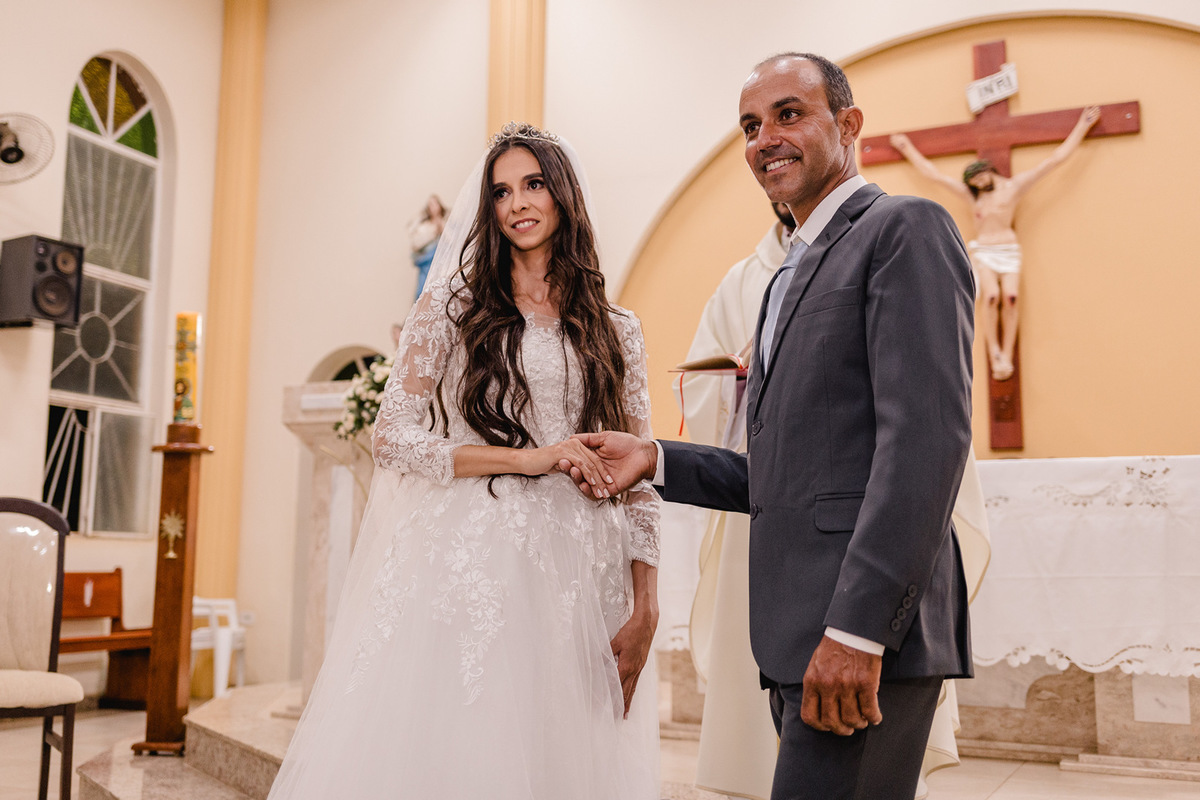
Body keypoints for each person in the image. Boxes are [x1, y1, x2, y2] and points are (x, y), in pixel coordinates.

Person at [568, 53, 976, 800]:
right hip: (798, 636)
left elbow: (925, 445)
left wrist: (857, 633)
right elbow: (790, 472)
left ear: (848, 125)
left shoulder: (902, 229)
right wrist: (656, 456)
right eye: (751, 126)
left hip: (855, 634)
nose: (764, 139)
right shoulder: (787, 273)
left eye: (790, 114)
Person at [267, 122, 662, 799]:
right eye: (501, 191)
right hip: (485, 558)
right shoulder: (450, 311)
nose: (517, 203)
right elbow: (391, 436)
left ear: (564, 194)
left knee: (571, 757)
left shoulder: (617, 327)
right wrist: (529, 458)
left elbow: (643, 473)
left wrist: (647, 603)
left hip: (587, 569)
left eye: (534, 184)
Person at [678, 202, 793, 800]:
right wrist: (744, 378)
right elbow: (701, 387)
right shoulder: (740, 282)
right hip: (758, 500)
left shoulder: (880, 246)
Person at [889, 106, 1100, 380]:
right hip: (984, 251)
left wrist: (1082, 126)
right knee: (990, 297)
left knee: (1010, 298)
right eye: (973, 180)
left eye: (980, 176)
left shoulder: (1013, 188)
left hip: (1009, 250)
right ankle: (995, 353)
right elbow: (934, 175)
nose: (977, 182)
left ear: (989, 171)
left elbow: (1054, 160)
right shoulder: (973, 196)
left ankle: (1007, 352)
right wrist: (907, 148)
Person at [408, 193, 447, 299]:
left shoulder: (445, 223)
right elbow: (416, 243)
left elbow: (450, 242)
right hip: (426, 263)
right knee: (422, 292)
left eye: (435, 204)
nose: (433, 207)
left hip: (440, 266)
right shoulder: (425, 226)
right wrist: (433, 231)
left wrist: (441, 226)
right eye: (430, 205)